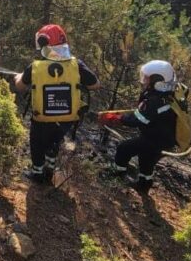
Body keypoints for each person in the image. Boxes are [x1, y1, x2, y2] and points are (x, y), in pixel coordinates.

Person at [14, 24, 99, 184]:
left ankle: (37, 172)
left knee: (37, 143)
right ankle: (50, 168)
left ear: (43, 44)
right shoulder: (76, 65)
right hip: (66, 118)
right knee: (54, 141)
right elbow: (95, 84)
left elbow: (20, 86)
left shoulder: (35, 67)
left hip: (42, 118)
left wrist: (18, 76)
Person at [98, 59, 178, 193]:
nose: (144, 81)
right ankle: (144, 185)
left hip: (155, 138)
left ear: (157, 81)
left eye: (148, 79)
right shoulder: (167, 95)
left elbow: (138, 120)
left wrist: (118, 118)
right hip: (164, 138)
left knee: (124, 148)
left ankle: (117, 174)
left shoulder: (154, 101)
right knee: (146, 159)